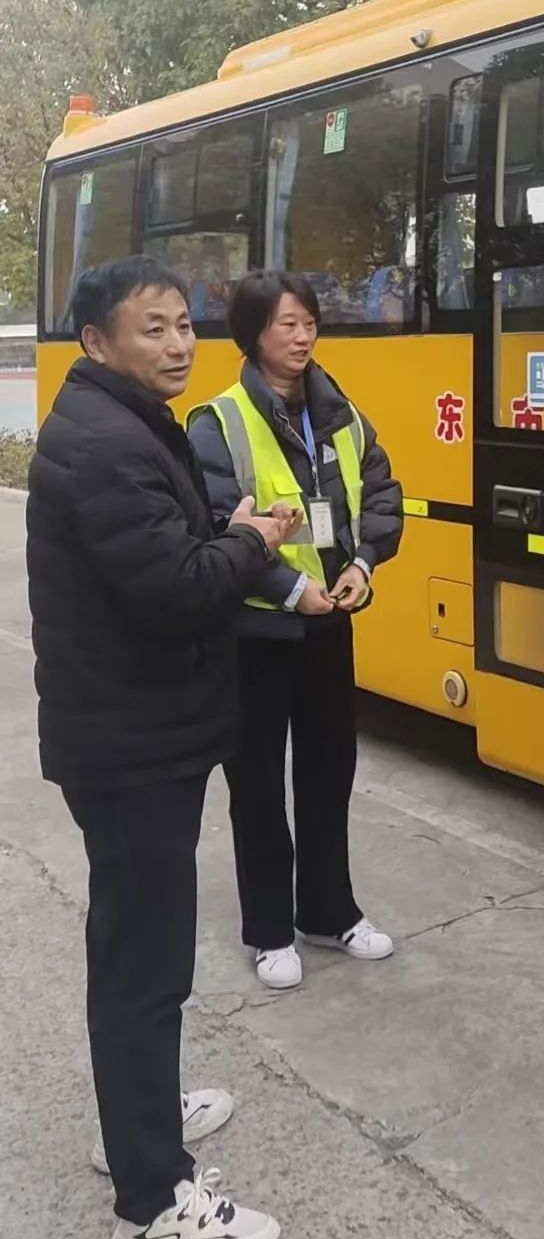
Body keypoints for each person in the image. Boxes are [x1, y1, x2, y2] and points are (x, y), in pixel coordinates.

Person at [27, 256, 302, 1239]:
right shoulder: (106, 444)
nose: (179, 343)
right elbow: (177, 590)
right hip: (133, 741)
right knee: (143, 960)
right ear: (97, 341)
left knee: (140, 950)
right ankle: (153, 1202)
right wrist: (248, 537)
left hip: (140, 732)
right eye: (153, 327)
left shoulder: (123, 422)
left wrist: (217, 536)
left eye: (185, 323)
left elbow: (165, 557)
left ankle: (132, 1111)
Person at [188, 271, 403, 991]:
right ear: (252, 335)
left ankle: (327, 910)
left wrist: (366, 563)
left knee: (327, 769)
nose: (303, 334)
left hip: (329, 622)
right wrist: (288, 588)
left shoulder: (341, 412)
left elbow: (379, 490)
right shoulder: (216, 422)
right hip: (256, 631)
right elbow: (217, 523)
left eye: (309, 320)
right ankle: (270, 929)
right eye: (286, 323)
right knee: (255, 781)